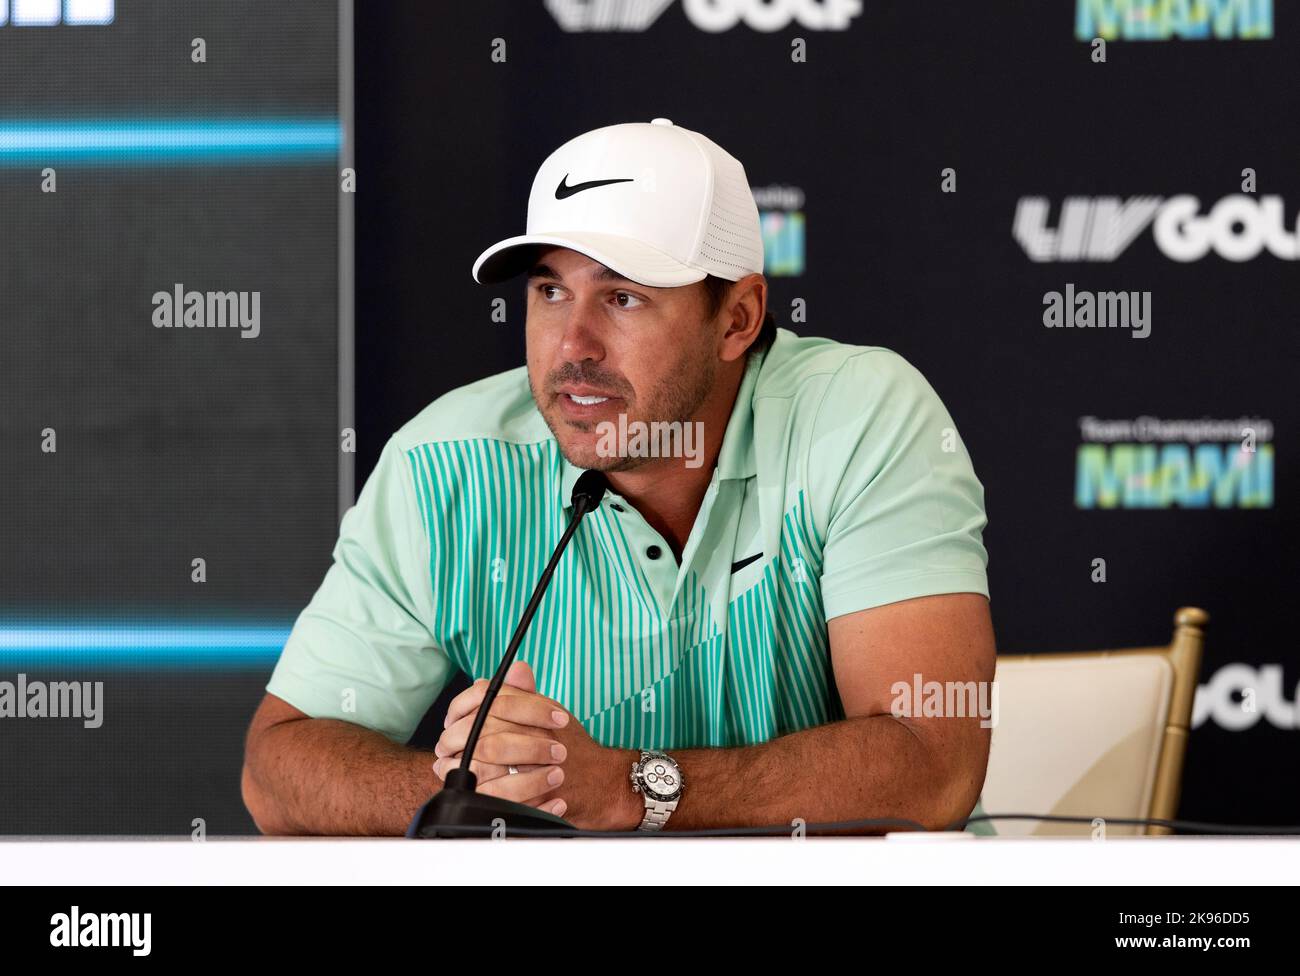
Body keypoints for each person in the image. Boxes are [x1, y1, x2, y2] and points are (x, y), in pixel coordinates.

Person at [241, 118, 997, 836]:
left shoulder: (860, 417)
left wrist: (638, 787)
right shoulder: (442, 464)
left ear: (737, 318)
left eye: (623, 296)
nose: (573, 344)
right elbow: (277, 765)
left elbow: (934, 765)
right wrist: (485, 790)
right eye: (549, 291)